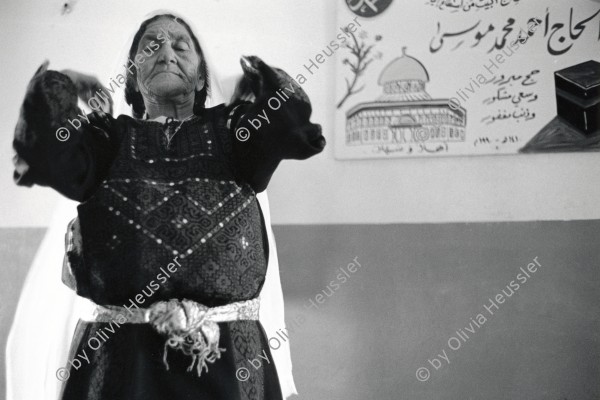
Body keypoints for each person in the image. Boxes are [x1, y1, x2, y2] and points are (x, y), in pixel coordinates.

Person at [12, 12, 324, 400]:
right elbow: (45, 150)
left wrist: (261, 81)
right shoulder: (105, 140)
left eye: (181, 46)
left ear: (200, 78)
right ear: (131, 76)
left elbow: (292, 128)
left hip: (230, 367)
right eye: (151, 45)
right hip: (121, 365)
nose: (166, 53)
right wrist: (65, 84)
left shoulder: (235, 136)